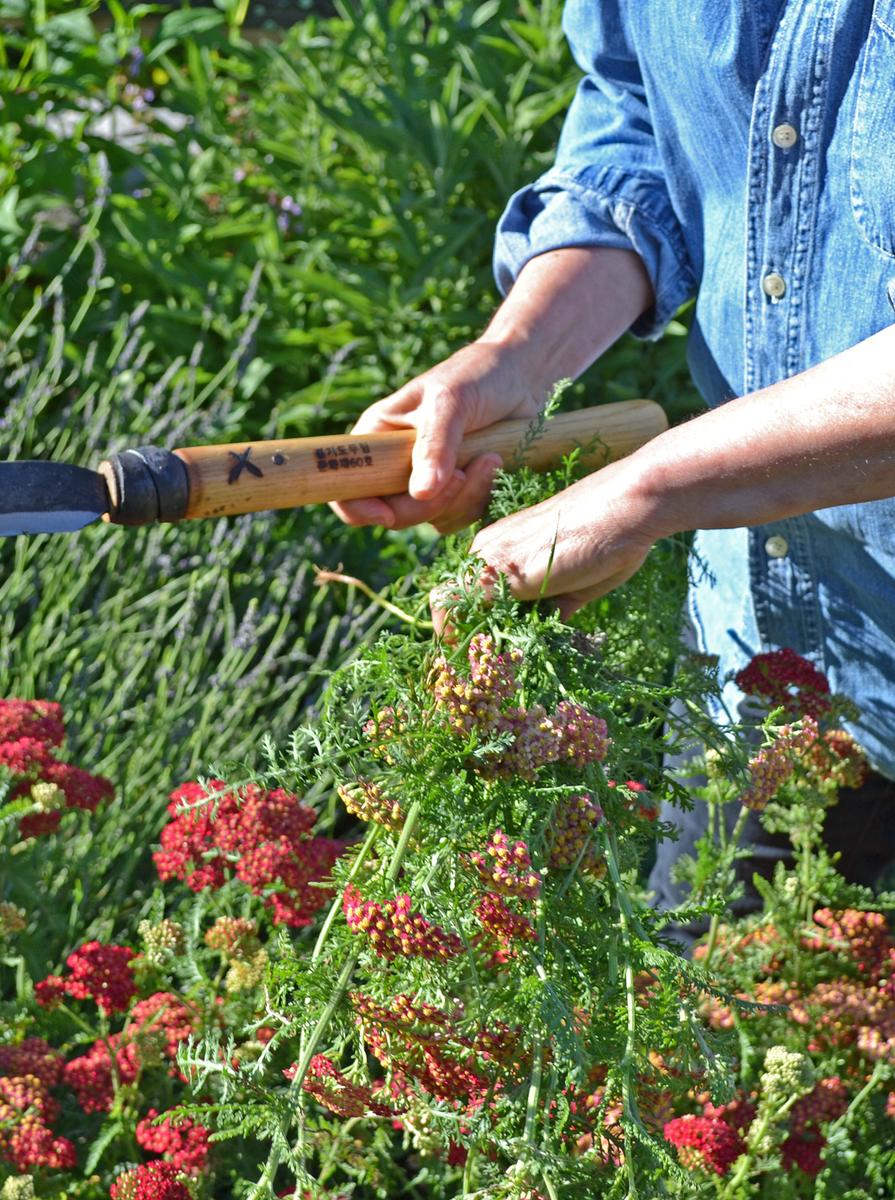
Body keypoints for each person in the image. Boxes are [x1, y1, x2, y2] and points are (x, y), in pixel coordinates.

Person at [331, 0, 895, 914]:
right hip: (763, 645)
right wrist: (517, 356)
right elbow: (637, 114)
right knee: (717, 1032)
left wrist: (645, 491)